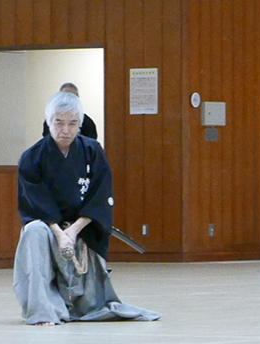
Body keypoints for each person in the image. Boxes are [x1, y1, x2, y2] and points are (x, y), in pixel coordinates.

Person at [14, 91, 160, 325]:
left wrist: (73, 231)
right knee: (33, 231)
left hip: (83, 227)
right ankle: (43, 311)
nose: (65, 129)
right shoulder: (32, 158)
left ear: (80, 124)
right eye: (59, 122)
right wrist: (60, 234)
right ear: (48, 122)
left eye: (73, 123)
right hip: (48, 229)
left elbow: (100, 196)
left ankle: (82, 301)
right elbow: (35, 203)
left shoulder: (92, 151)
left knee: (86, 244)